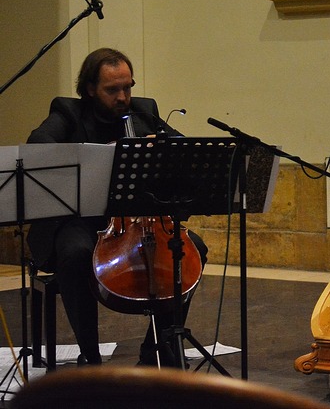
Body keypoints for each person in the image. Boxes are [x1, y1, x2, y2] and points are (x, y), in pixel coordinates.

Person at [26, 47, 208, 367]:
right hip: (80, 221)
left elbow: (186, 149)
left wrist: (161, 147)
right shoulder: (68, 112)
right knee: (76, 253)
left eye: (128, 87)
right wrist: (93, 155)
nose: (123, 97)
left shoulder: (143, 111)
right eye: (113, 90)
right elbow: (38, 145)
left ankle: (157, 348)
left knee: (193, 248)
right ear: (90, 89)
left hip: (137, 222)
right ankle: (90, 357)